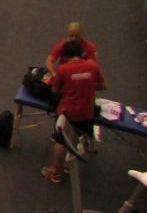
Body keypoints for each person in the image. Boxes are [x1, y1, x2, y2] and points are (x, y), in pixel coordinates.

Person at [42, 41, 106, 184]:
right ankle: (68, 166)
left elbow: (55, 90)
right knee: (77, 136)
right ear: (82, 53)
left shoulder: (63, 69)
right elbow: (103, 85)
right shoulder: (92, 66)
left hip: (68, 111)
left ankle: (56, 172)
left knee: (60, 140)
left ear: (65, 55)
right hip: (87, 112)